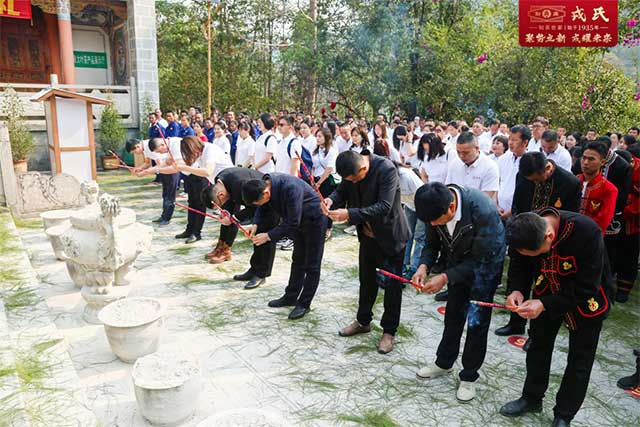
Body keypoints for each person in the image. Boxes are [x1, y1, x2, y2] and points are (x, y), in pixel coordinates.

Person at [499, 208, 610, 427]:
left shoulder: (587, 231)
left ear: (549, 236)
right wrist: (516, 290)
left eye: (539, 252)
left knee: (580, 360)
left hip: (586, 298)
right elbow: (520, 261)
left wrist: (544, 304)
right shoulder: (525, 226)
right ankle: (531, 398)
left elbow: (588, 285)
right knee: (538, 346)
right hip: (547, 289)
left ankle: (564, 414)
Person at [412, 182, 505, 402]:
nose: (434, 224)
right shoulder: (433, 208)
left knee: (476, 323)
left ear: (452, 207)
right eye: (430, 221)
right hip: (456, 266)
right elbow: (432, 244)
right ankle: (443, 362)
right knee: (453, 315)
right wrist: (423, 266)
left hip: (485, 270)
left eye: (437, 221)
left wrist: (444, 277)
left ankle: (469, 376)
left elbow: (483, 258)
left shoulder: (483, 210)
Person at [327, 151, 410, 354]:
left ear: (363, 168)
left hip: (391, 238)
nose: (353, 183)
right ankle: (363, 321)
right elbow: (342, 190)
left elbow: (384, 206)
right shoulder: (352, 170)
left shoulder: (386, 170)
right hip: (367, 237)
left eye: (355, 179)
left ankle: (389, 331)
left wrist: (349, 214)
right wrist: (331, 200)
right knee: (366, 280)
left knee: (392, 287)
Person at [495, 151, 581, 341]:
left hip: (549, 243)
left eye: (537, 179)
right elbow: (518, 204)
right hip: (523, 234)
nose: (534, 183)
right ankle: (515, 322)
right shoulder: (523, 177)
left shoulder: (570, 183)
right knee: (518, 278)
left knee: (544, 286)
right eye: (531, 180)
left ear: (548, 168)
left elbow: (570, 217)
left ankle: (536, 335)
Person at [242, 173, 327, 320]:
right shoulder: (263, 186)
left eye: (257, 202)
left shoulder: (290, 188)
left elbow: (292, 221)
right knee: (298, 260)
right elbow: (262, 208)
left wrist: (268, 236)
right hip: (296, 223)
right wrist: (255, 224)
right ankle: (290, 296)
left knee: (312, 265)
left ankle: (304, 304)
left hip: (314, 221)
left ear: (266, 193)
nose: (258, 205)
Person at [201, 168, 277, 289]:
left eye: (219, 204)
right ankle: (254, 270)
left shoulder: (240, 185)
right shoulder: (220, 181)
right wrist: (225, 213)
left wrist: (234, 218)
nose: (222, 205)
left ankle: (262, 274)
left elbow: (252, 207)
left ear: (220, 195)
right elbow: (230, 200)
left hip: (268, 202)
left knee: (263, 237)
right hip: (256, 201)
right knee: (255, 239)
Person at [170, 136, 233, 244]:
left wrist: (183, 167)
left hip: (229, 184)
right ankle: (192, 230)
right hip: (220, 184)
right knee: (223, 217)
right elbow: (190, 167)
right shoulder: (200, 153)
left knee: (228, 217)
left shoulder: (209, 150)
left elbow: (208, 171)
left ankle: (222, 246)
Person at [125, 138, 178, 226]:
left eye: (134, 152)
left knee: (169, 196)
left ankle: (167, 218)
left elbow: (160, 164)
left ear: (137, 146)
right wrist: (139, 169)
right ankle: (164, 216)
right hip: (163, 170)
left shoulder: (150, 146)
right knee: (165, 195)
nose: (136, 154)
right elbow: (148, 163)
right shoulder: (144, 147)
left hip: (169, 170)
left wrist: (144, 173)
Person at [615, 146, 640, 302]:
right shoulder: (616, 168)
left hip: (633, 222)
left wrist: (628, 208)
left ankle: (623, 289)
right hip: (615, 217)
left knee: (629, 256)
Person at [445, 132, 499, 201]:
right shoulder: (454, 163)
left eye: (466, 152)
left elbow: (485, 198)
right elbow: (449, 189)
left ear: (477, 148)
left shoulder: (490, 166)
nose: (461, 156)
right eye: (458, 152)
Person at [577, 141, 617, 234]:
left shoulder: (609, 189)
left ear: (602, 162)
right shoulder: (573, 181)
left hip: (591, 238)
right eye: (584, 158)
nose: (585, 162)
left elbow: (602, 222)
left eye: (591, 159)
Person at [496, 125, 530, 220]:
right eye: (510, 139)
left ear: (525, 142)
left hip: (518, 213)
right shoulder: (502, 159)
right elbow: (496, 182)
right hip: (499, 210)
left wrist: (512, 210)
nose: (510, 143)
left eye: (515, 140)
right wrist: (496, 205)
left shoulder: (530, 162)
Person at [312, 127, 338, 241]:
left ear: (326, 138)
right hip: (316, 180)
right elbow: (313, 165)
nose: (317, 139)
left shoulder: (332, 151)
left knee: (327, 204)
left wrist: (319, 183)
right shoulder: (316, 151)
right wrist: (313, 179)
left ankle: (328, 228)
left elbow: (328, 169)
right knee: (317, 204)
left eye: (320, 136)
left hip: (326, 181)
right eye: (316, 136)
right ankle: (319, 226)